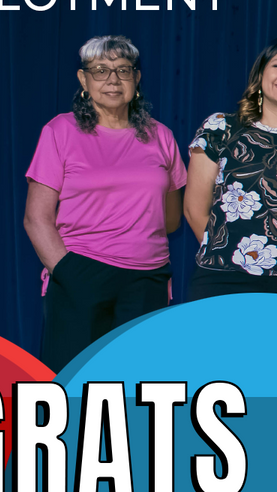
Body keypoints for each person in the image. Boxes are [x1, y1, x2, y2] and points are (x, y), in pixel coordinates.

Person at [24, 35, 185, 371]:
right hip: (81, 273)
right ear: (84, 80)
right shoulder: (60, 131)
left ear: (136, 79)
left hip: (147, 281)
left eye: (123, 70)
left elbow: (169, 220)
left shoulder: (162, 136)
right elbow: (36, 218)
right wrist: (70, 273)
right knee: (73, 390)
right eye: (100, 70)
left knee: (139, 394)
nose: (113, 80)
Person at [184, 37, 277, 300]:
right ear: (260, 74)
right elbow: (195, 210)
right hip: (223, 278)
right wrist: (231, 256)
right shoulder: (220, 127)